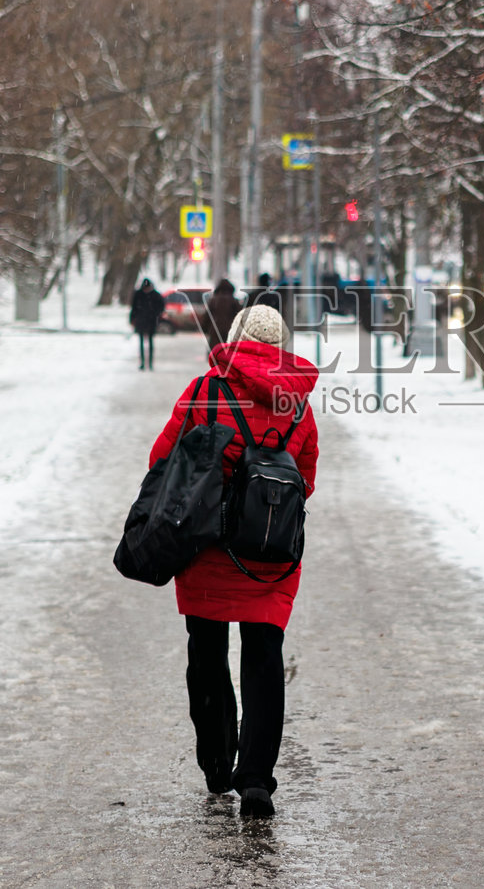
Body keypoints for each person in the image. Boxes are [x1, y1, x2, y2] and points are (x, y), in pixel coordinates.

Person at [145, 303, 319, 819]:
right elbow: (305, 476)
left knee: (206, 651)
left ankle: (219, 762)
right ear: (282, 347)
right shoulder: (297, 404)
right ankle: (258, 780)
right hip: (270, 551)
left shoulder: (204, 392)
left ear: (237, 339)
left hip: (204, 546)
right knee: (265, 655)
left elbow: (162, 458)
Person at [130, 279, 165, 370]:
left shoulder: (153, 295)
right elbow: (134, 308)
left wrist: (156, 315)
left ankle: (149, 363)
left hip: (149, 321)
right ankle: (143, 363)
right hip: (143, 321)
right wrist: (133, 319)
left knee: (149, 343)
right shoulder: (141, 295)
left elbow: (161, 308)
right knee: (143, 343)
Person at [202, 278, 243, 348]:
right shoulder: (234, 301)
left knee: (215, 354)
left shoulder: (213, 301)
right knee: (229, 355)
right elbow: (240, 317)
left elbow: (207, 317)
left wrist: (204, 329)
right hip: (230, 332)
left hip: (215, 332)